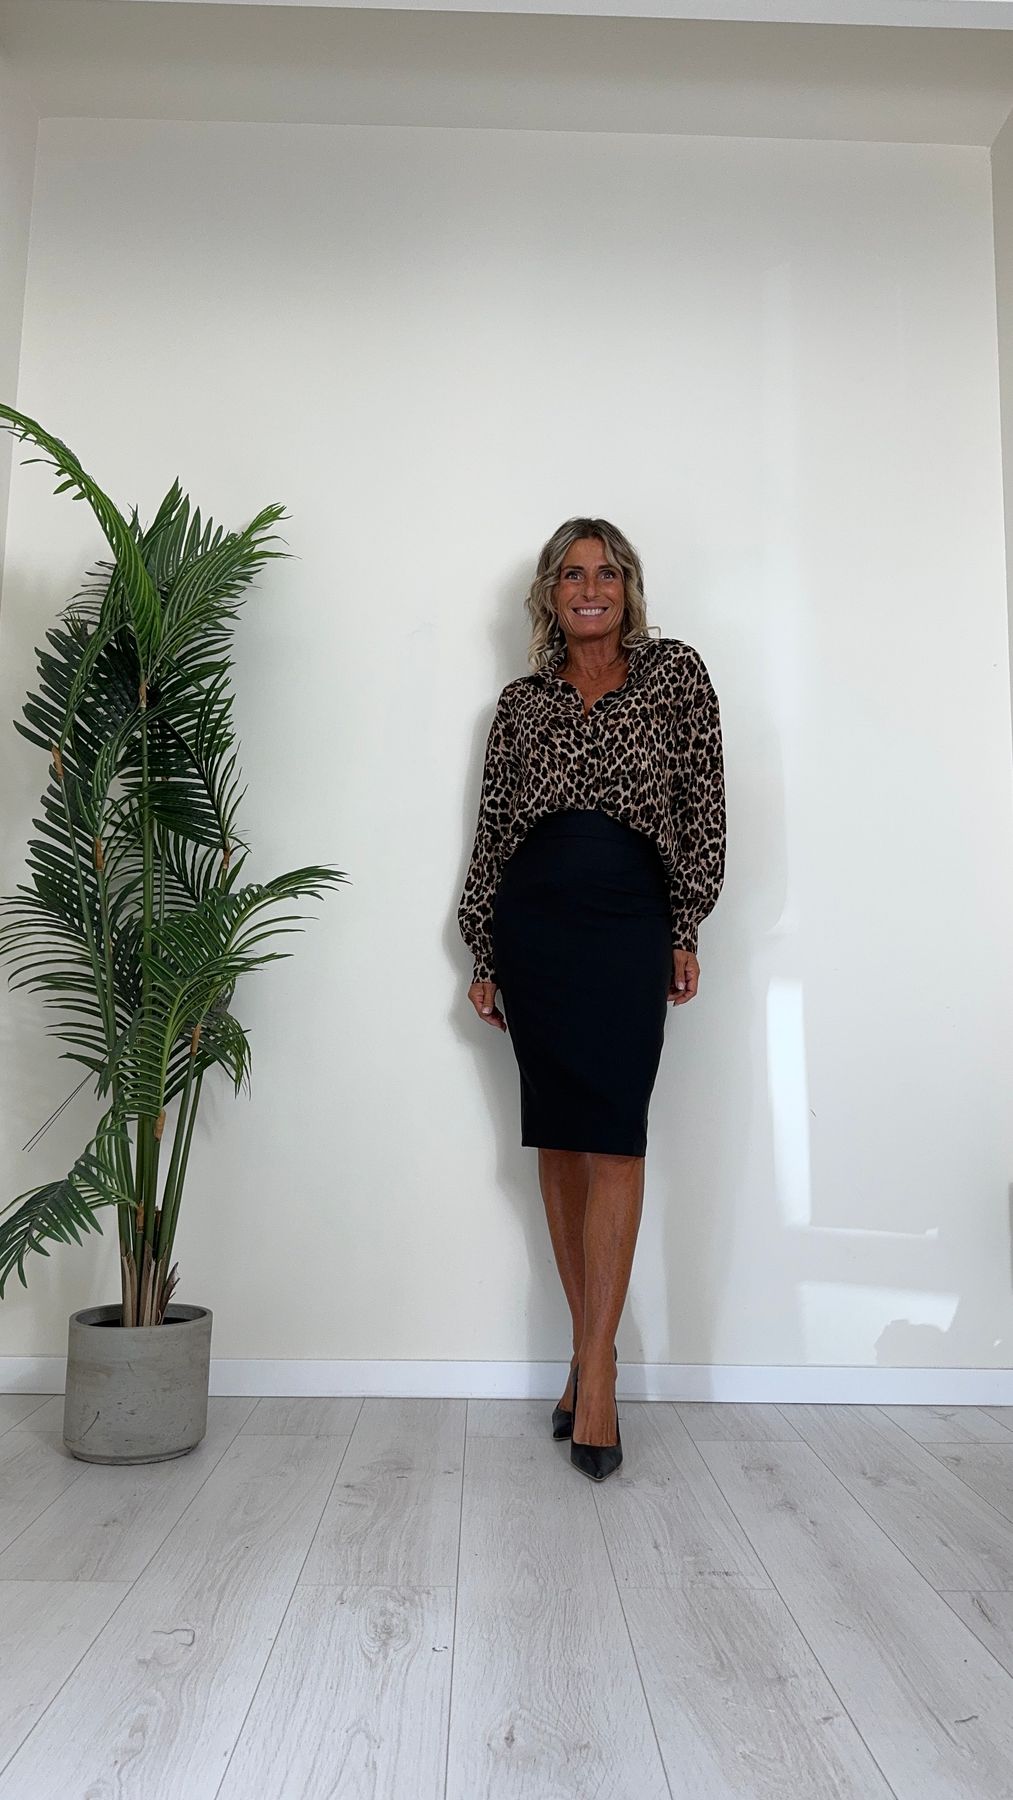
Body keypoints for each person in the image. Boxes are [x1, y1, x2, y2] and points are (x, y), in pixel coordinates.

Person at [457, 517, 726, 1479]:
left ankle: (598, 1374)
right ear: (549, 594)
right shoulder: (521, 703)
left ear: (628, 588)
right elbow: (494, 829)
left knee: (615, 1137)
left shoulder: (675, 675)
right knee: (561, 1141)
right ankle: (587, 1357)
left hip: (626, 917)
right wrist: (484, 947)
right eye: (572, 574)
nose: (590, 588)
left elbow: (702, 807)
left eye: (606, 573)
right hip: (534, 923)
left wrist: (684, 926)